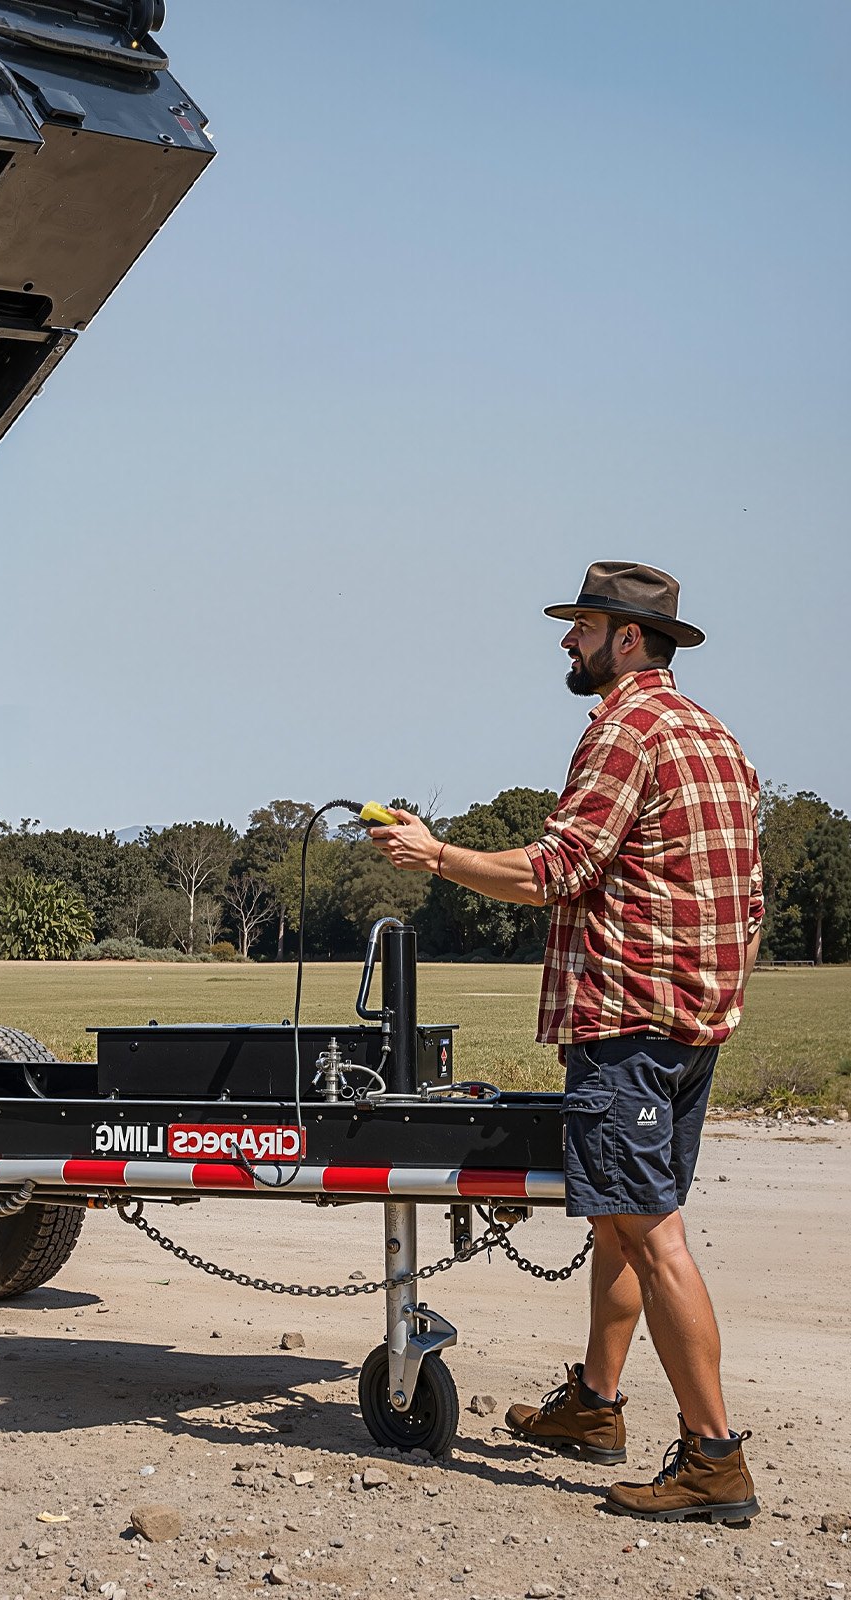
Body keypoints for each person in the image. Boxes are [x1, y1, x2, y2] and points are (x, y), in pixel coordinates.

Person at [367, 561, 764, 1524]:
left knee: (650, 1231)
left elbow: (557, 870)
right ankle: (595, 1405)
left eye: (580, 626)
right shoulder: (715, 735)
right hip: (690, 1023)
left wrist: (438, 856)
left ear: (626, 638)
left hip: (627, 1023)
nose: (566, 642)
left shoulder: (624, 731)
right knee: (621, 1218)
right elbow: (744, 893)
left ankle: (714, 1458)